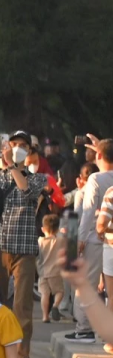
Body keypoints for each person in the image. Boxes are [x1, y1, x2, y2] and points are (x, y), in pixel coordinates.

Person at [0, 132, 46, 358]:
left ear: (30, 150)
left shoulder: (38, 179)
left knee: (23, 304)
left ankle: (22, 354)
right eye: (13, 145)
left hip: (25, 249)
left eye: (22, 146)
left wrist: (13, 166)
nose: (17, 149)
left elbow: (26, 192)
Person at [67, 143, 113, 341]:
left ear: (99, 155)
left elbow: (86, 212)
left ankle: (84, 328)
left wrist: (80, 238)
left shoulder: (95, 179)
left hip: (94, 238)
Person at [40, 211, 73, 324]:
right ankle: (55, 305)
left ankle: (45, 316)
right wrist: (63, 233)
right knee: (59, 292)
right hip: (55, 272)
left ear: (43, 229)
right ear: (58, 229)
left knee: (45, 294)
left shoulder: (40, 241)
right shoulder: (60, 240)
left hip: (42, 273)